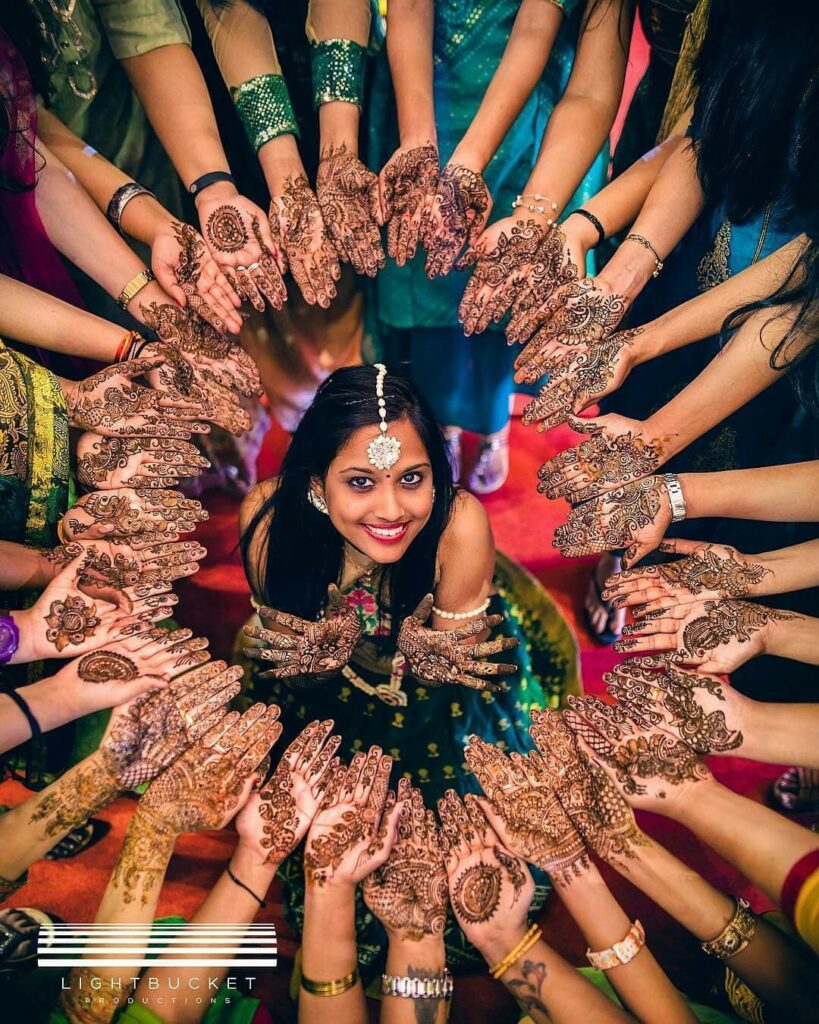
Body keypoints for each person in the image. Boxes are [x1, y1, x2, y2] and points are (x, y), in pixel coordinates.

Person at [237, 363, 580, 970]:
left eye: (412, 478)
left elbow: (453, 675)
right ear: (317, 482)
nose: (392, 509)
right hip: (325, 700)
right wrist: (324, 654)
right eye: (361, 482)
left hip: (434, 701)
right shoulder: (268, 520)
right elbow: (285, 655)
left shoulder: (457, 523)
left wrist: (426, 658)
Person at [370, 0, 629, 493]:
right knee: (430, 273)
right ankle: (438, 421)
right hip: (427, 89)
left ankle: (492, 425)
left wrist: (521, 204)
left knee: (507, 286)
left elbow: (538, 27)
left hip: (538, 128)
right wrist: (422, 142)